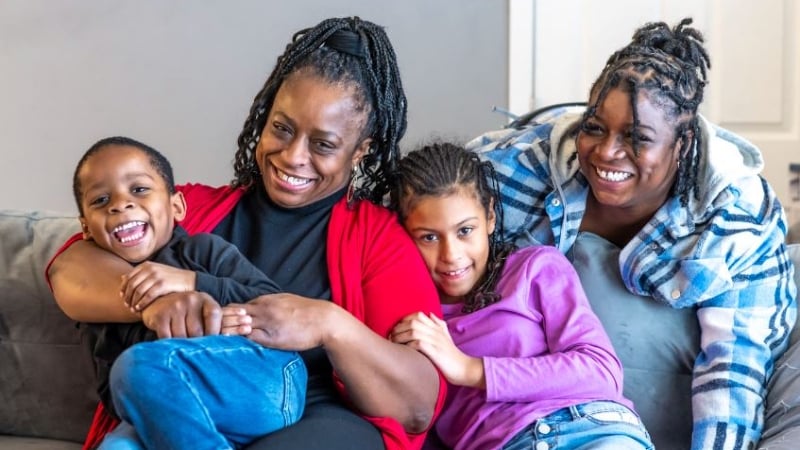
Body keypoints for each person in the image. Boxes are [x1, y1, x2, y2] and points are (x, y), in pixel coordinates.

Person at [47, 16, 445, 450]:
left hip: (318, 413)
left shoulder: (379, 242)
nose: (293, 156)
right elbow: (71, 267)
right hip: (192, 405)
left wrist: (331, 325)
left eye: (323, 144)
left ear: (360, 151)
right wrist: (159, 300)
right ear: (264, 115)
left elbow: (418, 405)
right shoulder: (190, 209)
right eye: (282, 128)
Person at [466, 18, 797, 450]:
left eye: (637, 137)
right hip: (523, 420)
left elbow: (732, 372)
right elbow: (425, 222)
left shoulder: (737, 216)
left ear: (682, 143)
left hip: (661, 414)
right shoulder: (518, 167)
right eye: (595, 127)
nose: (606, 152)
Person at [389, 142, 653, 450]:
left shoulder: (535, 269)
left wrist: (470, 369)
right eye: (429, 237)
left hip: (588, 429)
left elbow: (601, 371)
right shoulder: (414, 321)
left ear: (489, 217)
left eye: (465, 231)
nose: (451, 254)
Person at [70, 136, 305, 449]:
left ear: (176, 206)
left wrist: (194, 283)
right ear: (85, 228)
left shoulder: (201, 250)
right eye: (100, 200)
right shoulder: (99, 301)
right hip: (179, 412)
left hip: (266, 378)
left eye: (139, 189)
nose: (119, 204)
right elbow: (115, 392)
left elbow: (272, 302)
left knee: (139, 366)